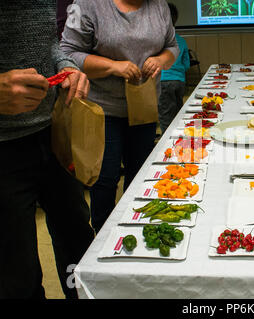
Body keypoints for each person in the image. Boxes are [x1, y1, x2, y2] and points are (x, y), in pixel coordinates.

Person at [0, 2, 94, 299]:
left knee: (79, 243)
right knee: (18, 275)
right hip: (4, 151)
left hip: (52, 134)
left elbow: (49, 42)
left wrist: (65, 65)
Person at [60, 0, 179, 234]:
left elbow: (172, 47)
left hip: (143, 107)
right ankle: (103, 236)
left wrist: (161, 60)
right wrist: (113, 66)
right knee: (105, 179)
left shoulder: (159, 6)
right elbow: (67, 54)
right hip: (103, 110)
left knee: (141, 175)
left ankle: (135, 230)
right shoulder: (87, 5)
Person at [158, 2, 190, 135]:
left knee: (165, 115)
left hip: (163, 81)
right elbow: (187, 64)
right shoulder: (181, 40)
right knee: (178, 111)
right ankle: (180, 135)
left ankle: (168, 140)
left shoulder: (157, 41)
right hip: (179, 81)